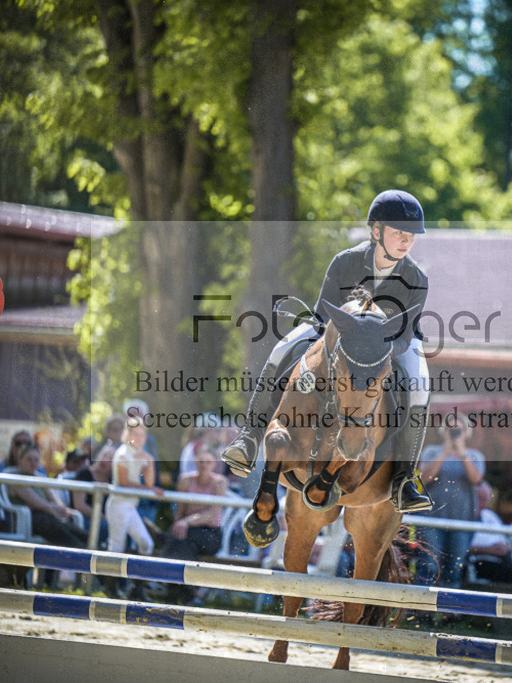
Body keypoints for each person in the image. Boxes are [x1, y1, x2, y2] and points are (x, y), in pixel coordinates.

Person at [220, 189, 434, 513]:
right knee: (282, 347)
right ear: (376, 232)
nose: (406, 241)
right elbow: (322, 313)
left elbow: (405, 332)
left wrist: (380, 348)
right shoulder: (345, 261)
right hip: (333, 331)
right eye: (399, 233)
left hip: (392, 342)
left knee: (419, 385)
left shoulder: (417, 277)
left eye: (411, 236)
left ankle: (405, 477)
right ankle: (248, 438)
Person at [415, 423, 484, 588]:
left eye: (457, 430)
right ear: (443, 432)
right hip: (431, 520)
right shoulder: (432, 451)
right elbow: (425, 478)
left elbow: (476, 479)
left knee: (454, 569)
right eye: (450, 429)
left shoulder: (474, 455)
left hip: (462, 521)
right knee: (429, 565)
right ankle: (420, 611)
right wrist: (444, 452)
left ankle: (449, 612)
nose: (454, 433)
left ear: (466, 433)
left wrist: (462, 454)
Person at [159, 444, 228, 604]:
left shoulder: (220, 483)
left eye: (208, 462)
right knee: (183, 542)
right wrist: (178, 525)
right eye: (201, 461)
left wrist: (185, 522)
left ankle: (169, 584)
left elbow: (213, 513)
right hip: (187, 532)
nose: (204, 465)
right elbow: (180, 510)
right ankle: (188, 592)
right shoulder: (185, 480)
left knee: (180, 539)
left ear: (214, 464)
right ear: (196, 461)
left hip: (209, 534)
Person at [106, 418, 165, 600]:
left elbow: (148, 482)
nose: (139, 437)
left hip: (130, 506)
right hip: (118, 505)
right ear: (129, 435)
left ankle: (136, 589)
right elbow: (124, 484)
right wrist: (149, 489)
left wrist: (150, 462)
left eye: (142, 434)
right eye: (136, 434)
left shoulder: (140, 454)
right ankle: (111, 589)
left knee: (146, 543)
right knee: (116, 546)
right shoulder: (123, 453)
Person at [6, 445, 89, 550]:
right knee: (68, 538)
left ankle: (94, 550)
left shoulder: (40, 478)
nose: (33, 463)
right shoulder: (17, 479)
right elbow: (41, 504)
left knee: (81, 534)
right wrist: (54, 510)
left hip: (48, 516)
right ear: (20, 460)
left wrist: (55, 509)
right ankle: (81, 554)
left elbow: (59, 504)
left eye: (36, 459)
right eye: (29, 459)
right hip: (30, 519)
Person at [467, 481, 512, 587]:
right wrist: (489, 550)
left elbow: (505, 540)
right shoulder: (462, 516)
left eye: (485, 499)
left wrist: (505, 548)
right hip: (479, 561)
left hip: (501, 560)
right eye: (480, 498)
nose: (483, 503)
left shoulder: (490, 516)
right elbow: (458, 547)